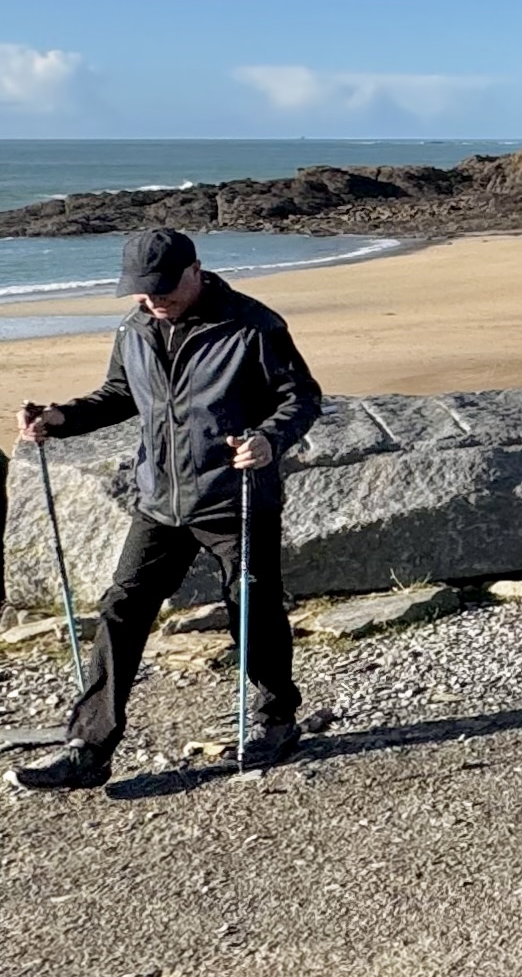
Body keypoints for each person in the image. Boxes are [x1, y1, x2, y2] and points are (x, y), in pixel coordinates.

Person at [5, 229, 321, 791]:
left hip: (233, 495)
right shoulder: (135, 329)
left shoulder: (252, 326)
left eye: (164, 288)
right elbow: (119, 394)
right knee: (121, 607)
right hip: (160, 500)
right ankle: (88, 748)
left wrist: (270, 439)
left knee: (251, 606)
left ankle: (276, 721)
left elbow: (301, 397)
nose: (154, 300)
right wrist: (61, 418)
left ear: (196, 270)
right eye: (143, 290)